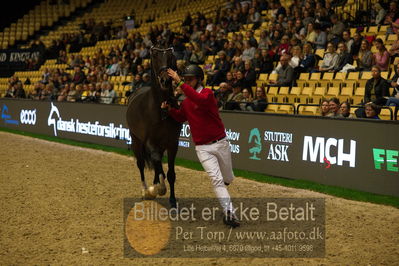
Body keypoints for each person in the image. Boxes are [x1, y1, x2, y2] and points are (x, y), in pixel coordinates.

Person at [163, 65, 240, 228]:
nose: (187, 81)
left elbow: (200, 101)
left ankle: (226, 191)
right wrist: (169, 110)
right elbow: (180, 117)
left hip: (220, 143)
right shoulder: (186, 102)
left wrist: (180, 84)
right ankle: (229, 213)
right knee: (217, 180)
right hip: (202, 148)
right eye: (186, 79)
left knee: (228, 178)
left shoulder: (207, 94)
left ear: (199, 79)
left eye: (190, 79)